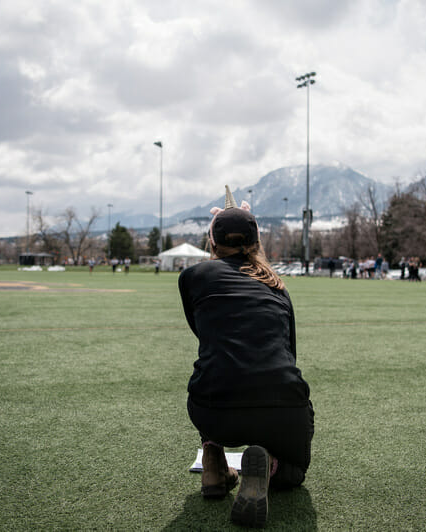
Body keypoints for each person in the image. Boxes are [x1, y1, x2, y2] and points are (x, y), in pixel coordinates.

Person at [178, 187, 313, 528]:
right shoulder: (278, 285)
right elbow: (289, 353)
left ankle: (214, 463)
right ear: (256, 243)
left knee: (216, 368)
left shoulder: (192, 278)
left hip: (213, 410)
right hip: (281, 405)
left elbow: (206, 337)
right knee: (295, 472)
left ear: (212, 243)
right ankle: (268, 465)